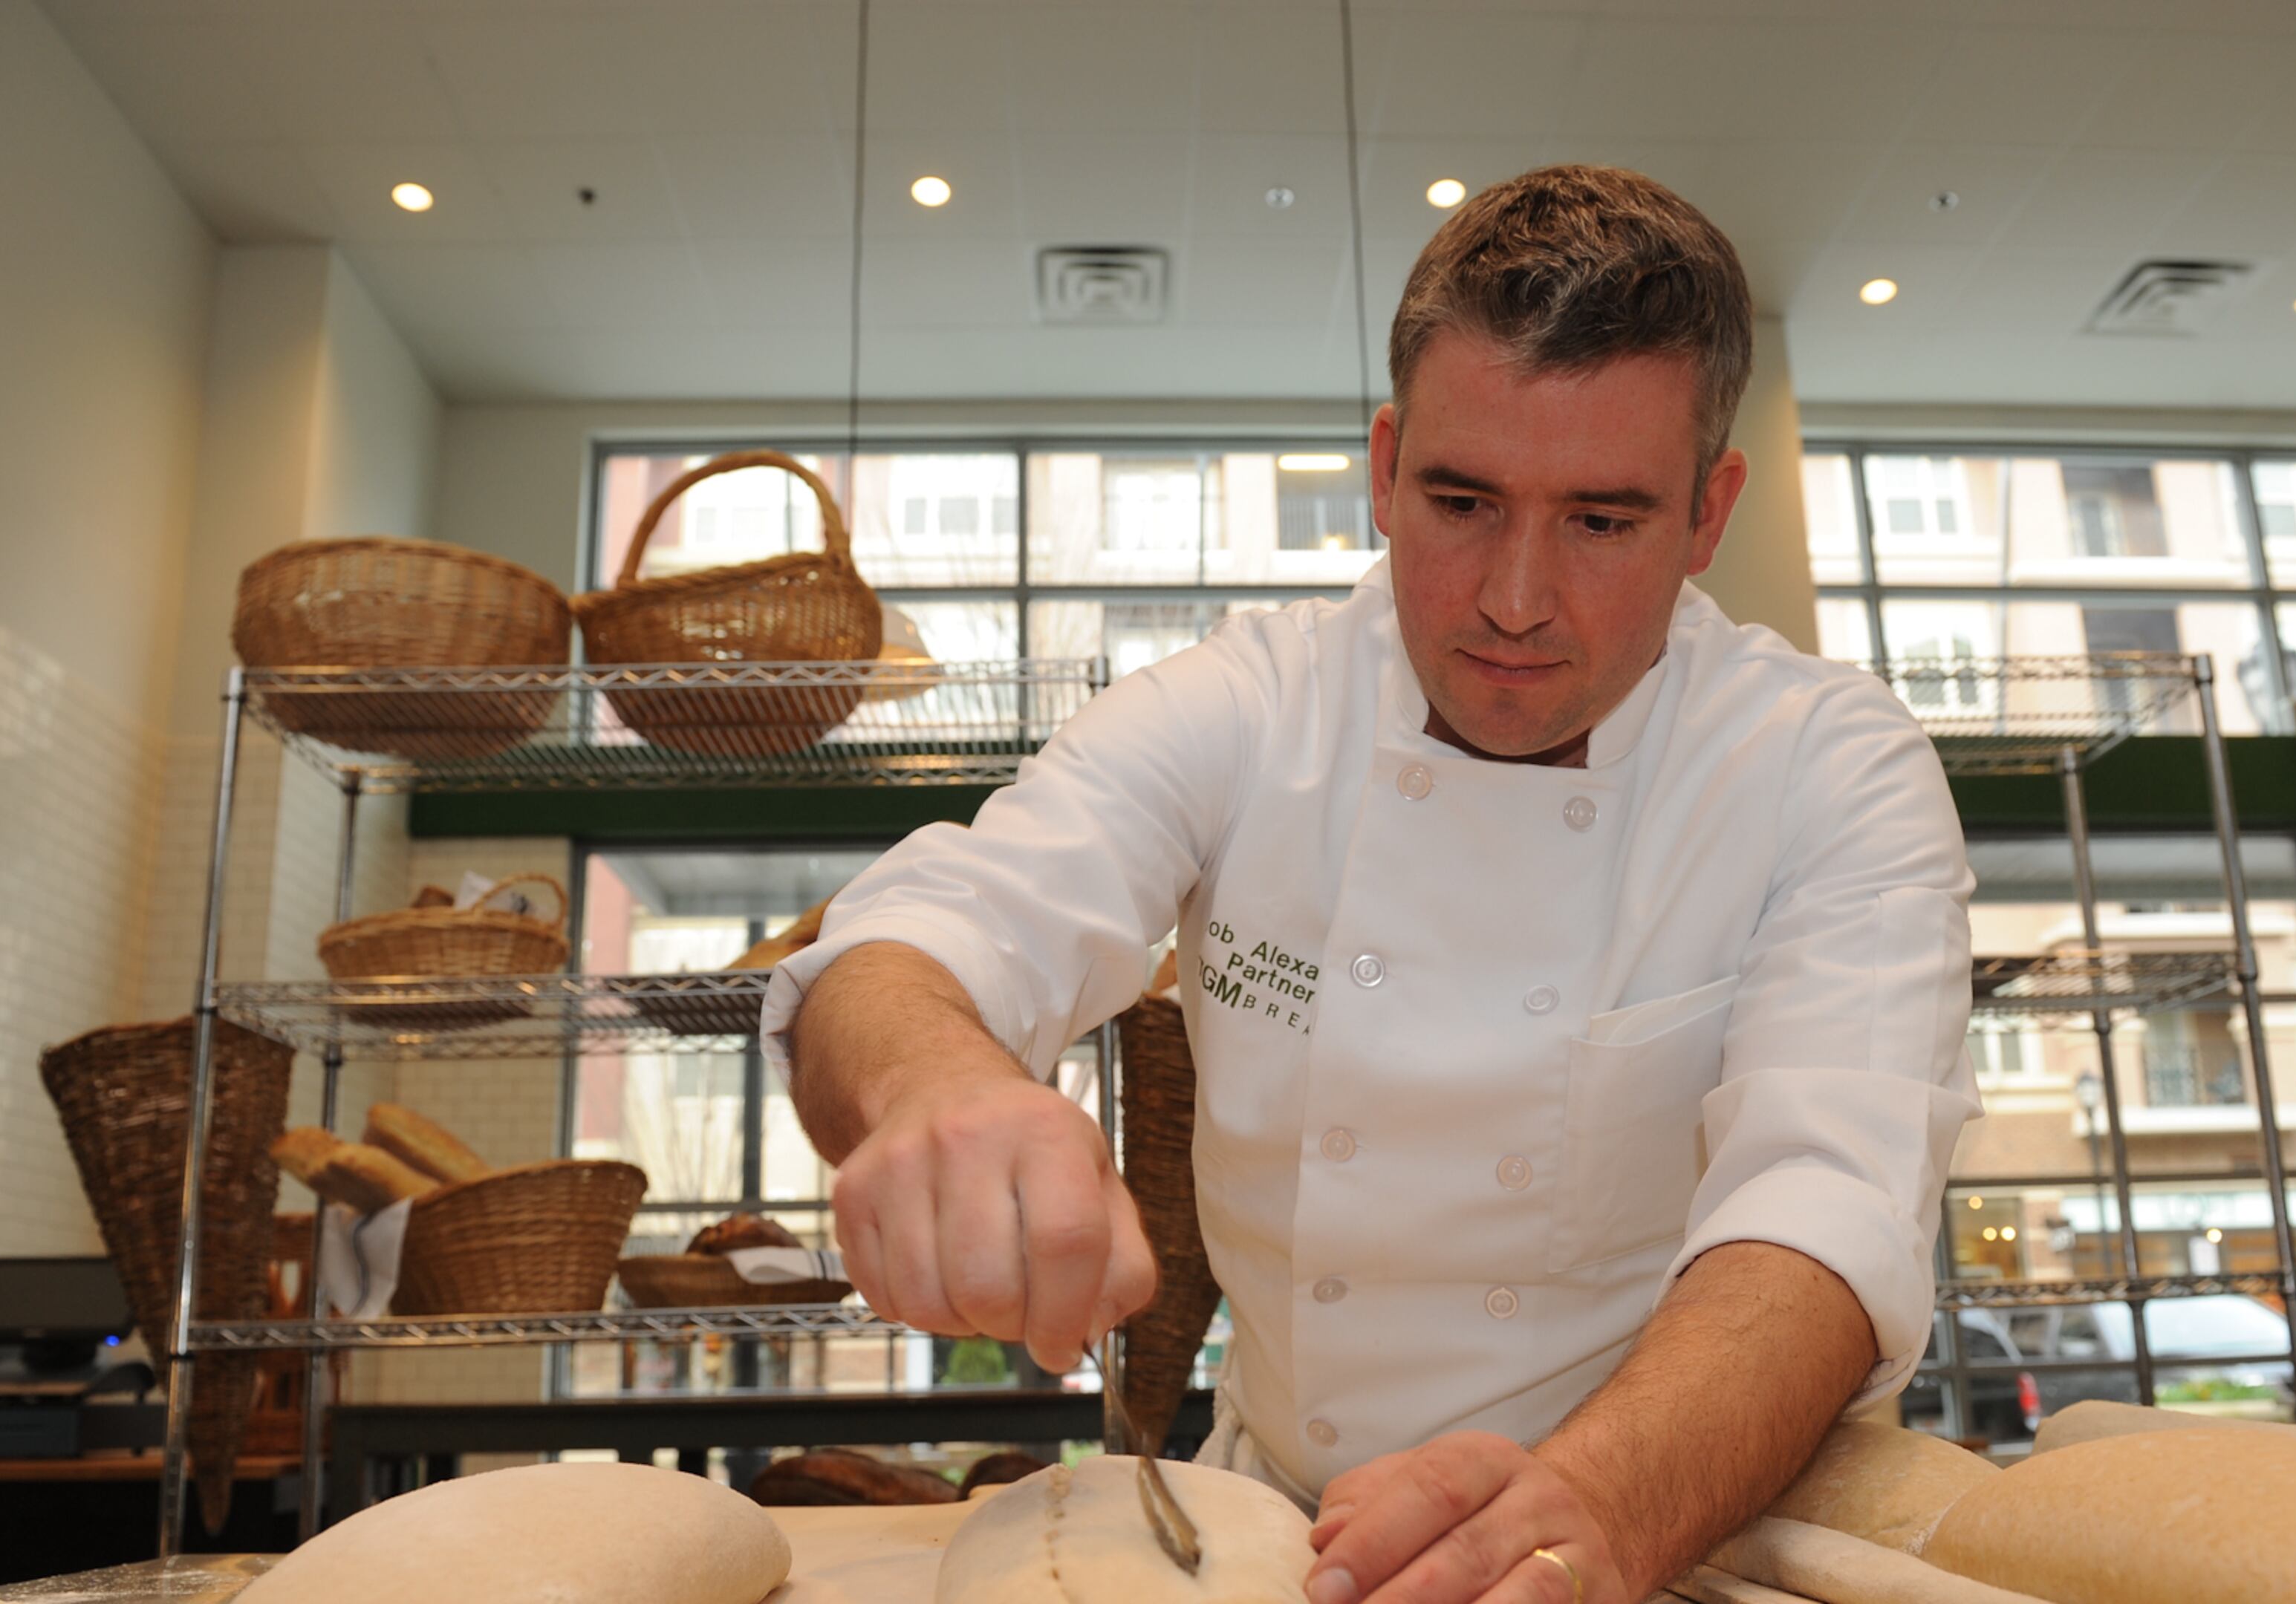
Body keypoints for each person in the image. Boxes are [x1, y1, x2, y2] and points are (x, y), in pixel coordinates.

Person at [764, 164, 1977, 1604]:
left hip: (1673, 1536)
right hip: (1291, 1537)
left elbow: (1824, 1212)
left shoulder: (1824, 769)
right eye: (1461, 500)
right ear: (1386, 466)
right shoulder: (1251, 708)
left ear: (1709, 518)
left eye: (1602, 521)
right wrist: (932, 1089)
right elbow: (919, 940)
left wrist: (1592, 1508)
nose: (1515, 598)